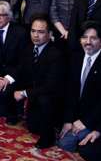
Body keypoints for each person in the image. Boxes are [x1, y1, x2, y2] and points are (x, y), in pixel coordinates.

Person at [58, 21, 101, 152]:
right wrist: (68, 120)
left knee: (76, 145)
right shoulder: (75, 57)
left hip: (96, 118)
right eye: (84, 37)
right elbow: (70, 92)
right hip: (76, 115)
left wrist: (85, 122)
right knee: (63, 142)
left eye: (93, 38)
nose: (88, 42)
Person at [13, 15, 64, 149]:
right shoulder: (28, 48)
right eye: (33, 31)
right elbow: (21, 72)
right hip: (34, 94)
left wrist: (24, 93)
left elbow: (50, 86)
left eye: (41, 32)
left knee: (44, 100)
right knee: (32, 127)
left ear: (50, 34)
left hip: (51, 97)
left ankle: (49, 136)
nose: (36, 35)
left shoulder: (56, 54)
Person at [0, 1, 28, 124]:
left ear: (8, 16)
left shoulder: (20, 32)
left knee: (11, 114)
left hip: (14, 77)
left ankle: (18, 106)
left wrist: (8, 79)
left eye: (1, 15)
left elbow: (23, 61)